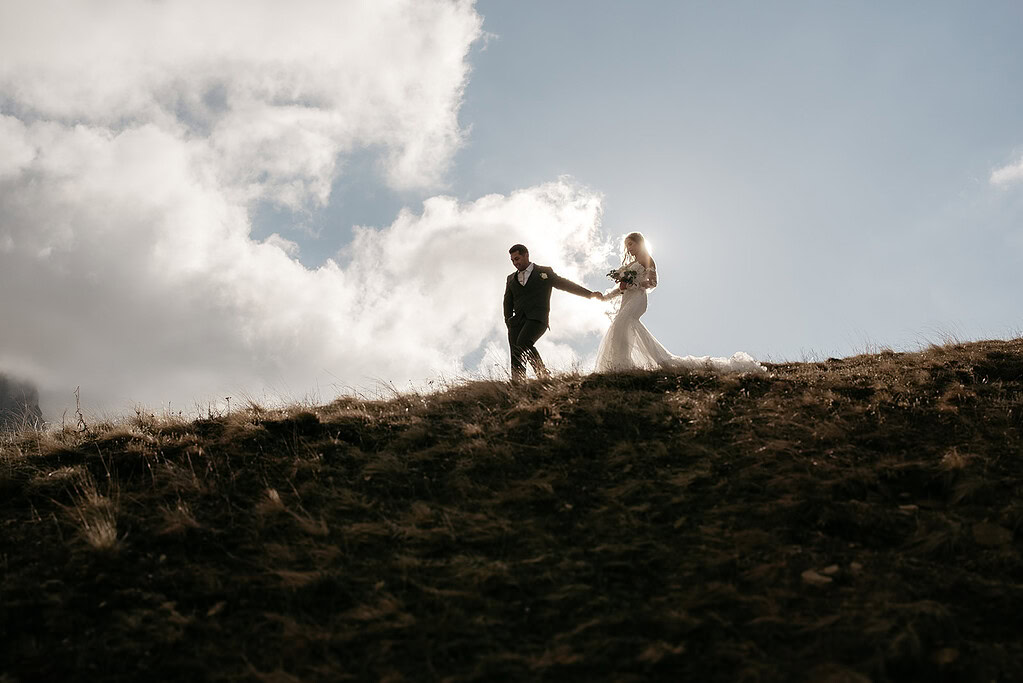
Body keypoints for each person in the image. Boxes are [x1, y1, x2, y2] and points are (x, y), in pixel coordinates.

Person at [595, 232, 764, 373]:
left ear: (639, 243)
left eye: (631, 244)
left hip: (638, 299)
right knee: (622, 327)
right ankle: (622, 366)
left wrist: (634, 284)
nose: (628, 248)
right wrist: (605, 296)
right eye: (627, 246)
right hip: (628, 299)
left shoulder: (647, 259)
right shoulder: (629, 265)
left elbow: (653, 283)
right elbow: (621, 288)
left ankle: (625, 364)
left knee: (621, 325)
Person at [503, 244, 603, 381]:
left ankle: (542, 374)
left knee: (524, 343)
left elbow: (566, 285)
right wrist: (508, 320)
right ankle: (517, 383)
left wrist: (589, 294)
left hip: (537, 319)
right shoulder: (510, 279)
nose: (516, 263)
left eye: (517, 258)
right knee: (516, 354)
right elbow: (507, 302)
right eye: (513, 260)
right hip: (516, 322)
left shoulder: (544, 272)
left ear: (526, 255)